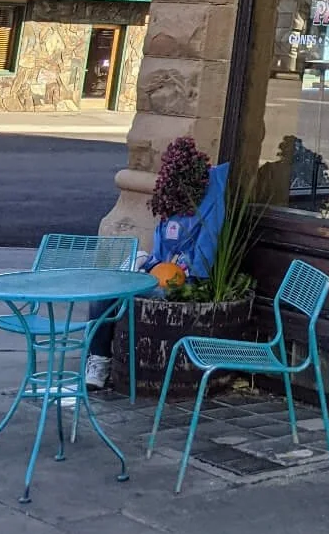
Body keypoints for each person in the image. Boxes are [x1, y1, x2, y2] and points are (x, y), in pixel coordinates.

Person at [83, 164, 228, 389]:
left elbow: (201, 265)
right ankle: (99, 358)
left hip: (182, 284)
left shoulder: (210, 211)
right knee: (104, 292)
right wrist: (143, 262)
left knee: (126, 294)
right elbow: (157, 253)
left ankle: (102, 361)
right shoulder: (170, 211)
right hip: (157, 275)